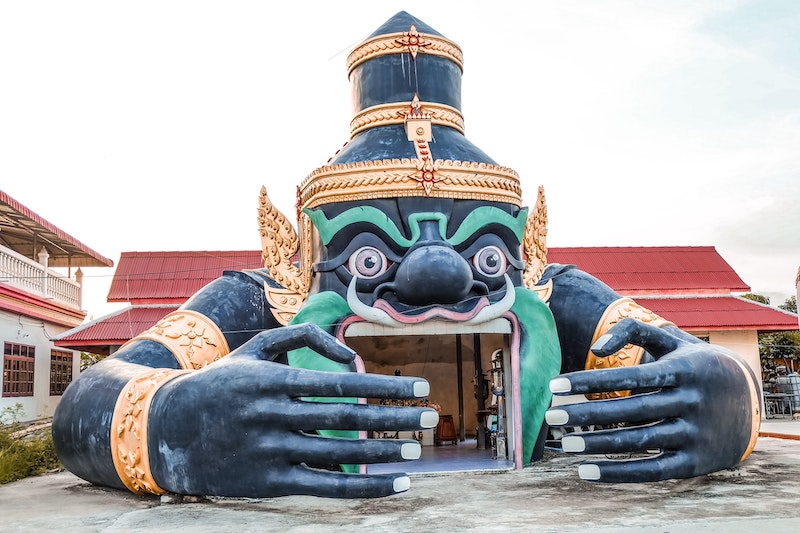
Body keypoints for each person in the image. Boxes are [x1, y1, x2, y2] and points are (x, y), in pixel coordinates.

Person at [53, 11, 760, 498]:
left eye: (485, 253)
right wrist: (177, 426)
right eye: (367, 253)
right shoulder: (259, 301)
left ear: (522, 254)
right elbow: (91, 397)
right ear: (303, 260)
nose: (435, 272)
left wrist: (729, 401)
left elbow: (697, 361)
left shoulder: (552, 296)